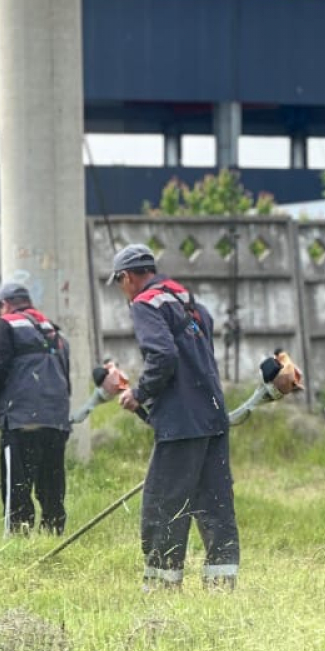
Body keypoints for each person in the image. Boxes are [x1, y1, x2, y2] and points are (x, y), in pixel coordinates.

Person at [110, 243, 240, 591]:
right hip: (212, 414)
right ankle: (221, 583)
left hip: (181, 422)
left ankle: (162, 585)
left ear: (127, 276)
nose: (122, 290)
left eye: (119, 282)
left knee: (164, 503)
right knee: (215, 501)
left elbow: (163, 355)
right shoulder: (187, 299)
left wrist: (139, 393)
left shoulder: (145, 303)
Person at [0, 280, 70, 535]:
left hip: (21, 421)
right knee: (51, 486)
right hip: (56, 419)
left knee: (17, 488)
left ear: (5, 304)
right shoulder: (53, 331)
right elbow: (66, 375)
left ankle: (18, 540)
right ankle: (54, 536)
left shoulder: (7, 324)